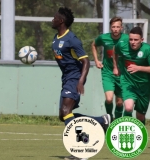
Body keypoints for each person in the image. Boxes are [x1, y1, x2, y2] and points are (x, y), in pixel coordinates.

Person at [51, 7, 111, 160]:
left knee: (66, 112)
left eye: (55, 17)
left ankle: (81, 150)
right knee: (63, 115)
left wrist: (80, 81)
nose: (52, 19)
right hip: (66, 79)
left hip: (74, 78)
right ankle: (101, 121)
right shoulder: (56, 38)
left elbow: (85, 61)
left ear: (61, 21)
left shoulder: (72, 39)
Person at [113, 26, 150, 125]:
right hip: (128, 83)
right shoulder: (122, 45)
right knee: (128, 108)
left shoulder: (148, 50)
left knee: (140, 116)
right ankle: (125, 130)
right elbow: (115, 52)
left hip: (144, 87)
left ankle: (140, 136)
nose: (133, 42)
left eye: (136, 40)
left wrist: (139, 68)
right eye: (131, 39)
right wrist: (115, 67)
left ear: (141, 40)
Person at [91, 17, 129, 120]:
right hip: (107, 73)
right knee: (109, 99)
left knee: (120, 102)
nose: (115, 29)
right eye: (113, 27)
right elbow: (94, 45)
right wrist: (96, 60)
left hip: (122, 74)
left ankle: (117, 122)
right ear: (110, 28)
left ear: (121, 28)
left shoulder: (127, 39)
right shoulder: (103, 38)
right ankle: (109, 118)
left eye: (118, 27)